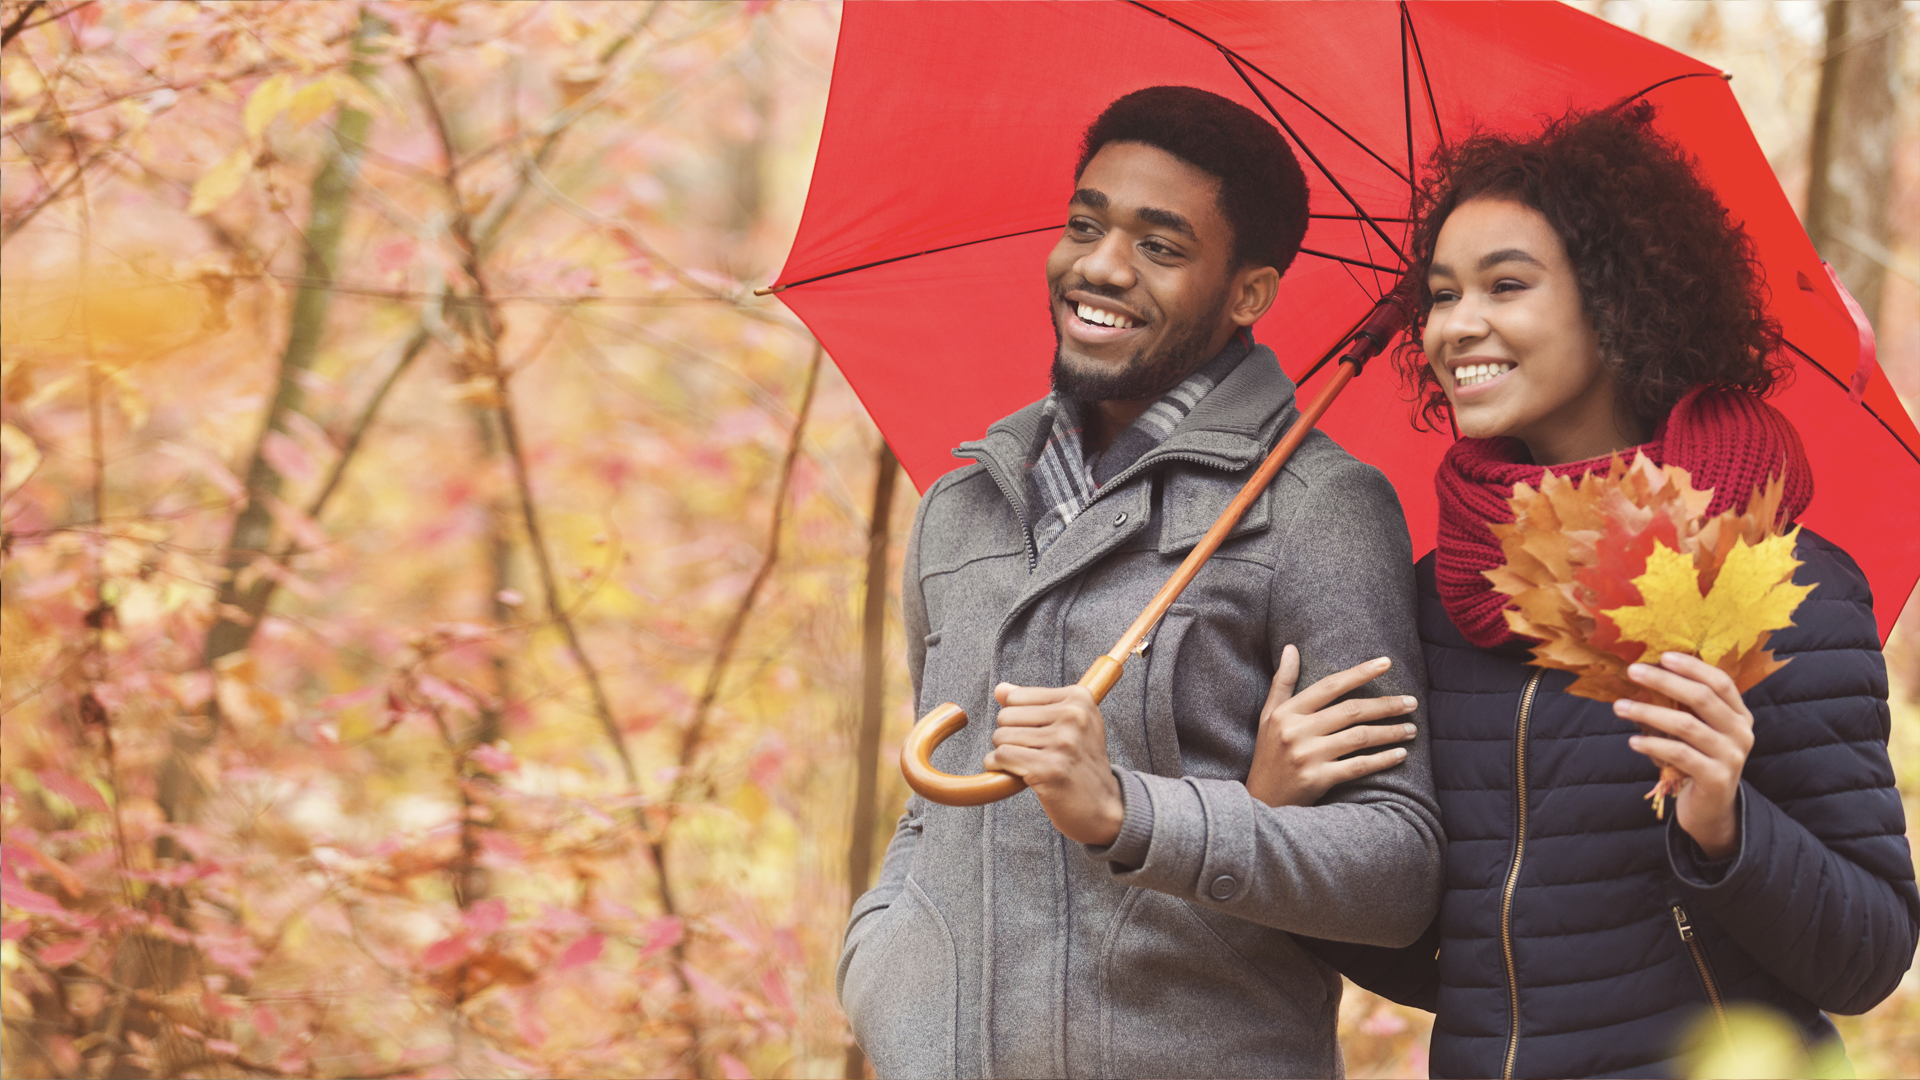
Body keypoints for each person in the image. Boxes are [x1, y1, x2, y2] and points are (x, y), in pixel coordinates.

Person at [1252, 103, 1920, 1079]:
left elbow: (1867, 959)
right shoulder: (1436, 602)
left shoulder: (1782, 586)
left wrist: (1726, 823)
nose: (1456, 325)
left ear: (1619, 302)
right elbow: (1446, 954)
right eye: (1439, 294)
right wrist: (1282, 834)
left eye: (1505, 285)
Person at [836, 86, 1444, 1079]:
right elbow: (927, 810)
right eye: (1086, 223)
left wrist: (1129, 812)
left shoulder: (1317, 510)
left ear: (1247, 292)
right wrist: (887, 974)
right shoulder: (964, 506)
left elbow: (1397, 871)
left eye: (1160, 246)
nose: (1102, 266)